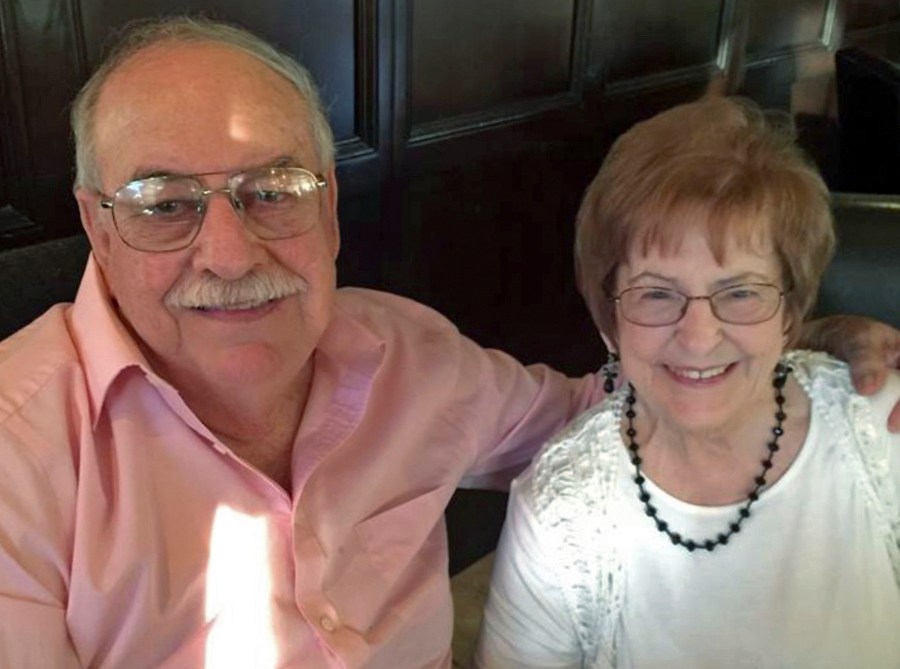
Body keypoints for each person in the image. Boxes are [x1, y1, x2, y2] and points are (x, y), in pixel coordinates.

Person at [0, 17, 895, 669]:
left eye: (273, 188)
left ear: (330, 208)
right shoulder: (17, 456)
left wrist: (795, 346)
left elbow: (613, 406)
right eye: (165, 203)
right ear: (97, 223)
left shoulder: (413, 358)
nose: (231, 253)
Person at [474, 97, 900, 669]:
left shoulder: (881, 428)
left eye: (741, 292)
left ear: (790, 312)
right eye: (656, 293)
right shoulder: (560, 512)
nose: (699, 337)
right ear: (609, 321)